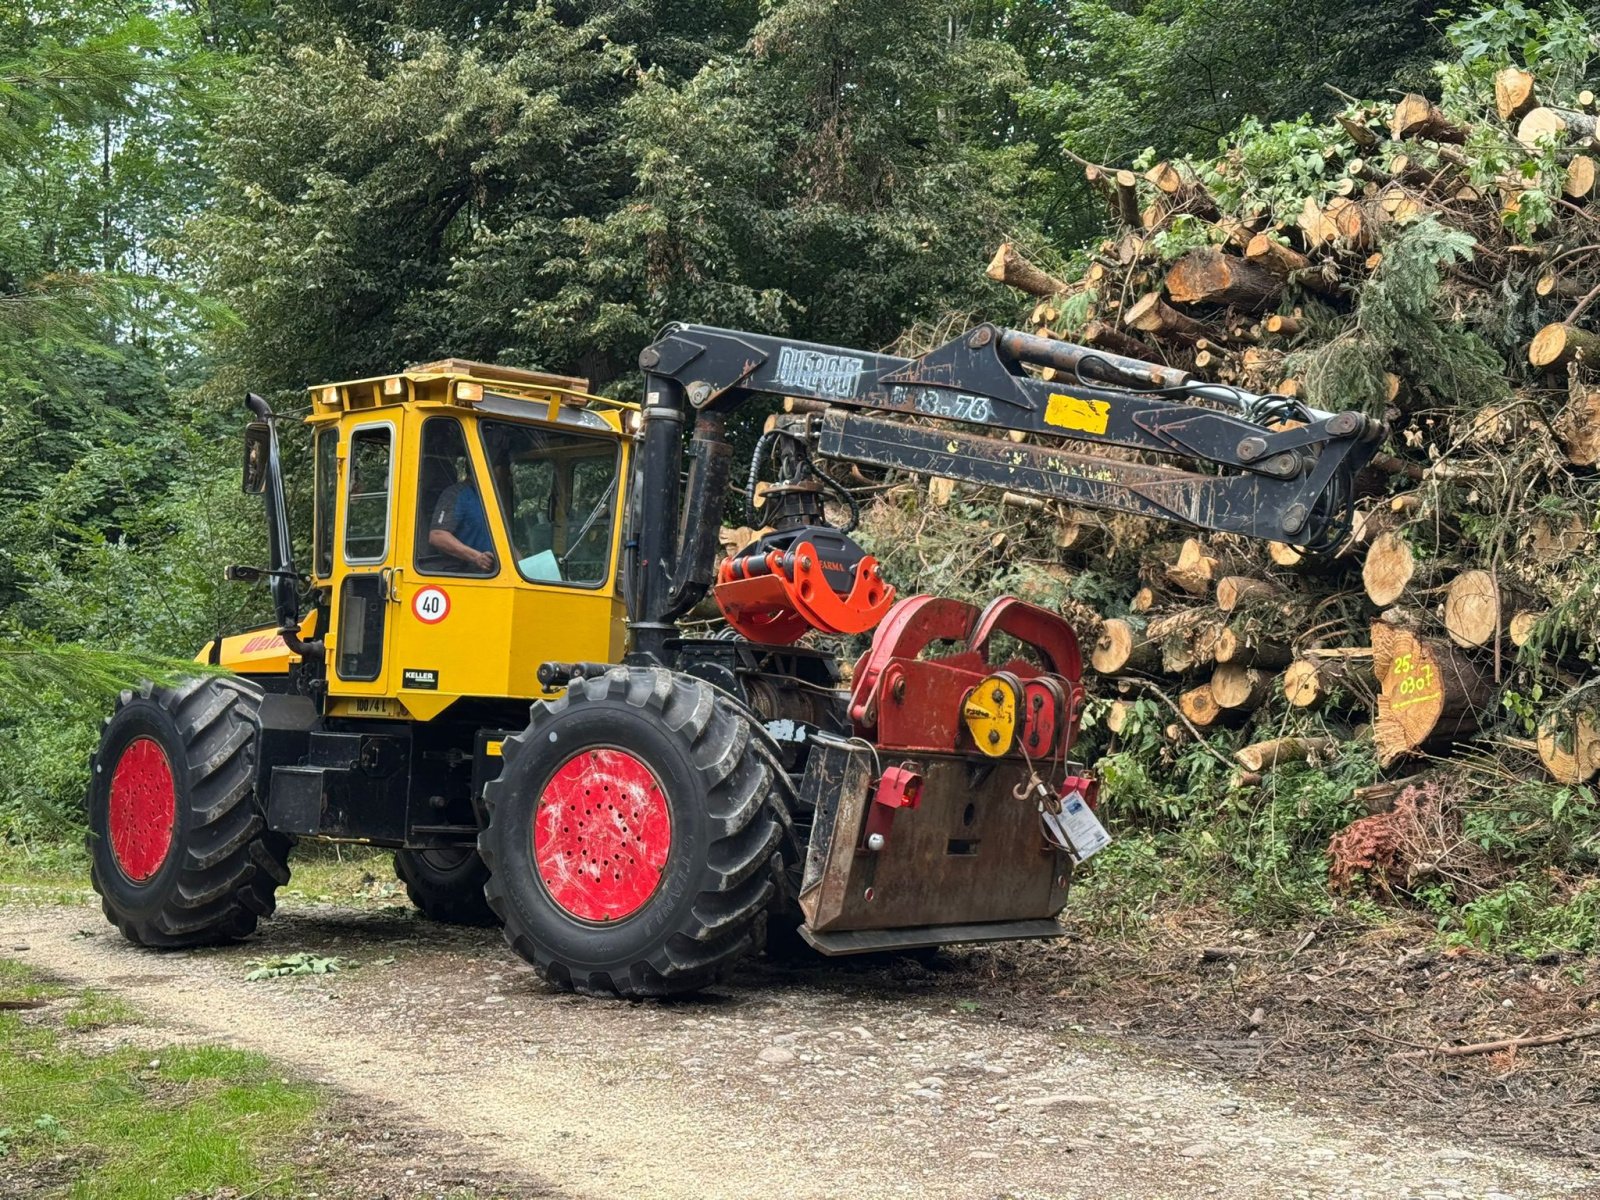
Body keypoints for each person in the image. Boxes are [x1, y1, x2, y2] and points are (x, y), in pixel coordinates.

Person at [428, 476, 496, 572]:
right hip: (463, 573)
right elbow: (437, 536)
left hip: (493, 573)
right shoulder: (456, 494)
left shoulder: (490, 497)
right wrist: (477, 557)